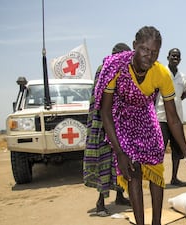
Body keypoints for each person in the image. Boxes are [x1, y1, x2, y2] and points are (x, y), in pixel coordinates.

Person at [94, 26, 186, 225]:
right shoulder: (116, 67)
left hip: (146, 117)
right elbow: (106, 111)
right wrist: (119, 151)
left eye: (154, 52)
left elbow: (173, 119)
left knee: (156, 169)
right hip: (121, 118)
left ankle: (156, 222)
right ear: (135, 46)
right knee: (133, 171)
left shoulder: (161, 73)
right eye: (144, 49)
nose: (149, 56)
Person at [83, 43, 131, 217]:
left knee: (119, 162)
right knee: (103, 163)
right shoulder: (103, 69)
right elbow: (101, 100)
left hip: (118, 124)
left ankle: (120, 195)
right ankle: (100, 203)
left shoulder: (122, 71)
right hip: (103, 126)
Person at [155, 48, 186, 187]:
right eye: (173, 56)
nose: (175, 58)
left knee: (177, 149)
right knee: (160, 148)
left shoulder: (182, 77)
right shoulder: (161, 72)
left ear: (180, 59)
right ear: (168, 57)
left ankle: (174, 178)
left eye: (177, 56)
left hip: (177, 117)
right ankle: (157, 178)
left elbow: (182, 97)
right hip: (161, 116)